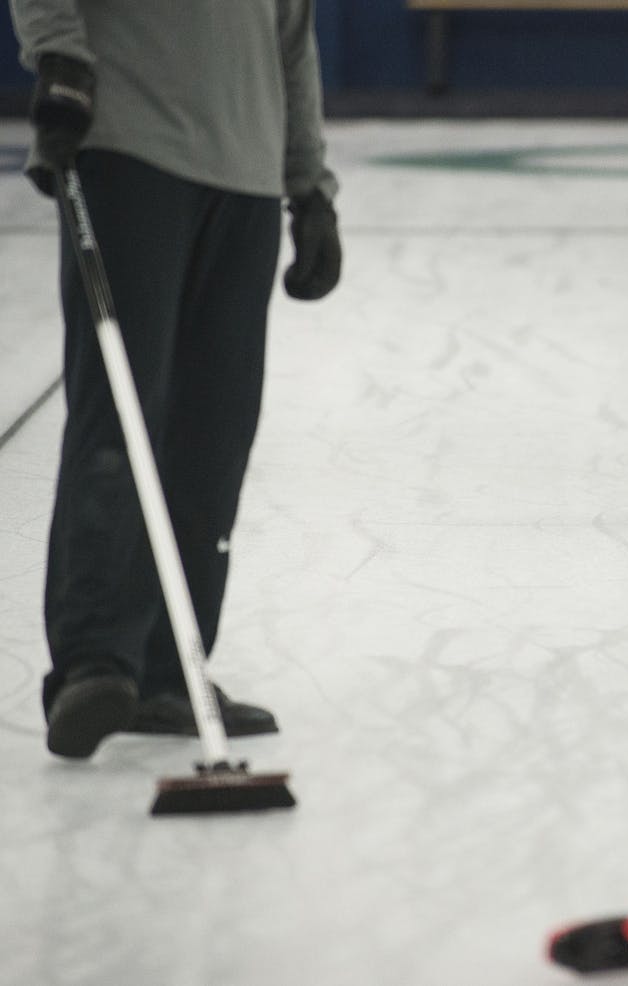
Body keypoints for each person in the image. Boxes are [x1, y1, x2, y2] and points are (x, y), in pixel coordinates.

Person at [11, 0, 343, 759]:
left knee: (213, 435)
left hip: (248, 175)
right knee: (122, 413)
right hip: (131, 147)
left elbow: (292, 38)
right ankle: (95, 660)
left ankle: (169, 671)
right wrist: (60, 58)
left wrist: (308, 183)